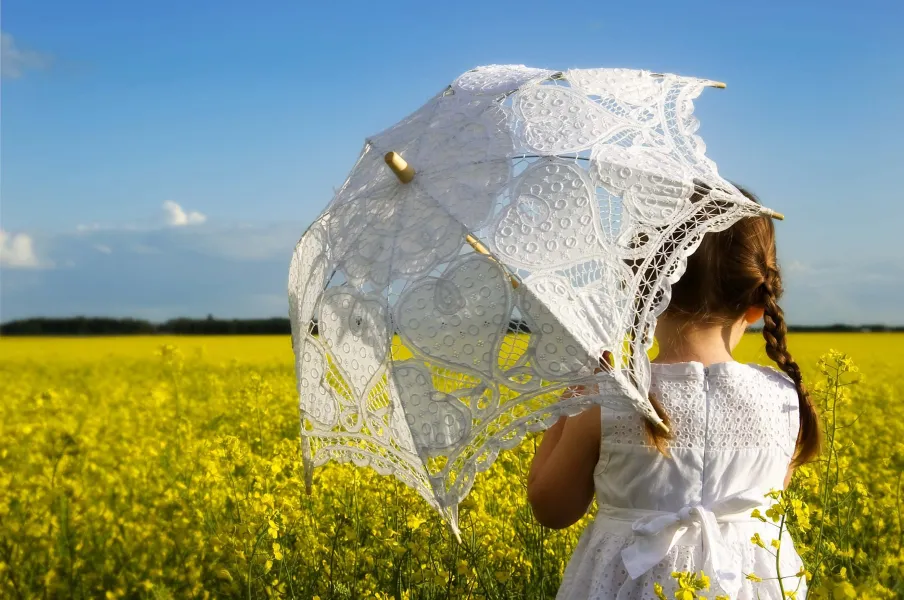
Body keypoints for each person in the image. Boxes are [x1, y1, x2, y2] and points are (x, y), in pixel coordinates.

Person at [527, 186, 820, 600]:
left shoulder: (612, 396)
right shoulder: (785, 398)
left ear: (641, 286)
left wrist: (571, 402)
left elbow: (552, 508)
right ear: (757, 302)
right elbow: (769, 503)